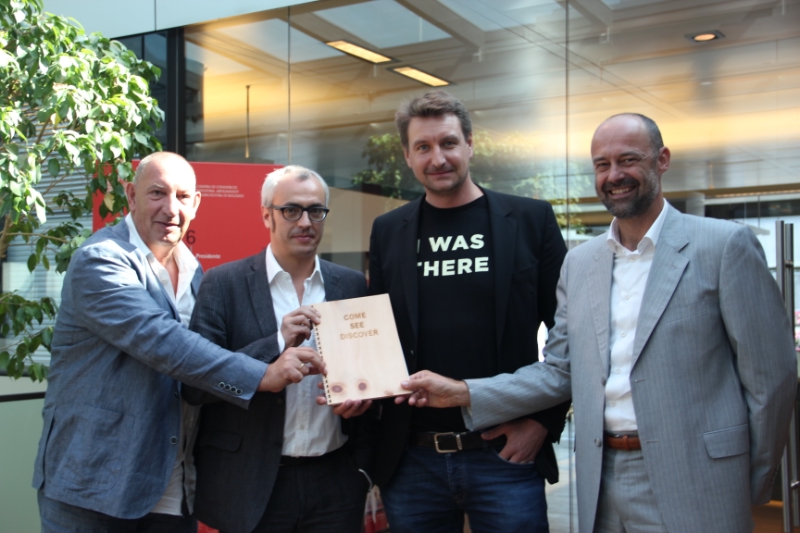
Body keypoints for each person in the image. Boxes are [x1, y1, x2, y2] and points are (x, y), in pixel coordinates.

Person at [400, 113, 798, 532]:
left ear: (662, 160)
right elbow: (560, 370)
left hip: (698, 478)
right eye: (602, 165)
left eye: (628, 160)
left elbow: (771, 377)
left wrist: (748, 475)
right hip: (601, 478)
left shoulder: (724, 246)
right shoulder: (580, 263)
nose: (614, 176)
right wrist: (463, 392)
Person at [33, 152, 317, 533]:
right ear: (131, 196)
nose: (171, 208)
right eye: (157, 193)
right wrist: (263, 375)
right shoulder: (100, 260)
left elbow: (203, 365)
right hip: (94, 482)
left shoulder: (195, 272)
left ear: (196, 204)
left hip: (172, 484)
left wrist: (275, 342)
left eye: (183, 196)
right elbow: (163, 342)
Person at [367, 90, 570, 533]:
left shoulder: (530, 220)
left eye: (448, 143)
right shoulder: (388, 231)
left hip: (506, 452)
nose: (438, 158)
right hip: (413, 459)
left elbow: (571, 336)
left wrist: (543, 423)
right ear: (407, 155)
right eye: (423, 147)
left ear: (470, 144)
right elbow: (377, 337)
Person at [183, 165, 376, 533]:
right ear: (266, 215)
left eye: (315, 210)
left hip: (336, 480)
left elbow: (369, 375)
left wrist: (362, 410)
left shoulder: (351, 284)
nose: (305, 222)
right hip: (250, 486)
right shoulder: (223, 283)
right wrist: (273, 345)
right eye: (291, 210)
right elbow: (195, 385)